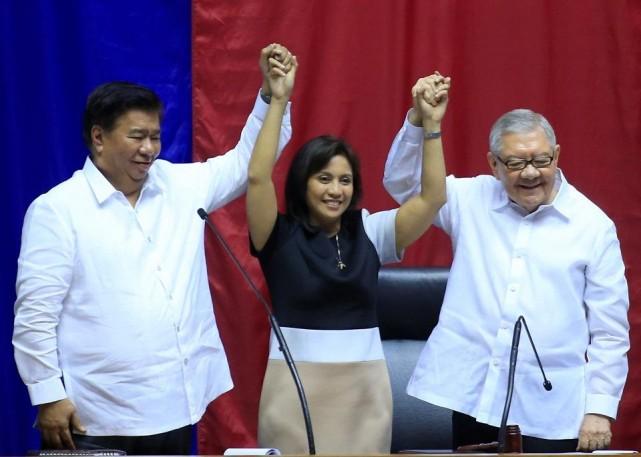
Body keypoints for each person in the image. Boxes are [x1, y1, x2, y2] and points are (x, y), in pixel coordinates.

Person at [13, 44, 294, 454]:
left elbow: (247, 163)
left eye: (156, 136)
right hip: (95, 416)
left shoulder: (178, 186)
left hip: (177, 405)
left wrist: (271, 97)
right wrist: (47, 394)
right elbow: (35, 315)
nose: (149, 149)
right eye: (137, 137)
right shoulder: (58, 210)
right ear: (98, 138)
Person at [383, 105, 630, 452]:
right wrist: (417, 122)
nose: (530, 173)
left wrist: (600, 409)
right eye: (515, 163)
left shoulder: (593, 226)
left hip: (552, 412)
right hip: (476, 401)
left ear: (557, 156)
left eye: (541, 160)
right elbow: (404, 184)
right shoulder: (470, 199)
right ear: (493, 164)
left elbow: (610, 332)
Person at [246, 53, 451, 453]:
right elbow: (257, 175)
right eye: (323, 178)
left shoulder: (370, 230)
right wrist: (278, 99)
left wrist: (431, 125)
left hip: (365, 392)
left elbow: (432, 198)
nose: (335, 190)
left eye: (344, 180)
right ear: (303, 183)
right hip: (293, 389)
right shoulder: (276, 233)